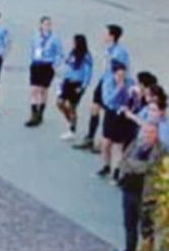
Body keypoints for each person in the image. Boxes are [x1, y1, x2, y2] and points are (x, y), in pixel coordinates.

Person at [109, 121, 163, 251]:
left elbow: (148, 167)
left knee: (146, 228)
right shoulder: (136, 144)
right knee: (129, 224)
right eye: (145, 132)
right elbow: (124, 160)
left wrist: (133, 165)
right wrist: (133, 165)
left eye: (151, 132)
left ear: (157, 134)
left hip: (145, 194)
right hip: (129, 189)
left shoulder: (160, 150)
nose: (147, 135)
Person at [77, 24, 129, 152]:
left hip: (111, 85)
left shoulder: (119, 52)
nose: (103, 36)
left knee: (108, 111)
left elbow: (121, 72)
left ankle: (104, 143)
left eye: (105, 33)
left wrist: (117, 88)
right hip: (104, 81)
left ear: (112, 36)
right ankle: (90, 137)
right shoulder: (109, 50)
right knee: (94, 107)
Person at [97, 62, 137, 178]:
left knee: (119, 144)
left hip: (123, 114)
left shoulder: (130, 82)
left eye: (123, 74)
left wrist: (130, 96)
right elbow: (107, 100)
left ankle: (116, 170)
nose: (121, 77)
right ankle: (106, 165)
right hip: (111, 113)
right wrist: (118, 89)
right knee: (106, 143)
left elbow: (132, 98)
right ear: (114, 74)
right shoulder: (108, 82)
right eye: (119, 75)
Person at [26, 16, 61, 127]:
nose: (47, 26)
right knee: (33, 89)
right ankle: (33, 113)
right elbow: (32, 49)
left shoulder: (55, 38)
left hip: (47, 65)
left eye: (49, 24)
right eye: (45, 24)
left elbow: (60, 53)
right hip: (36, 64)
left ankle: (40, 112)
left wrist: (55, 65)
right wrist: (32, 60)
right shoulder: (36, 37)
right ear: (40, 25)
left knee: (42, 90)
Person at [57, 34, 92, 140]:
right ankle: (70, 121)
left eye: (74, 42)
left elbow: (88, 72)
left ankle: (72, 129)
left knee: (72, 106)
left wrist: (83, 86)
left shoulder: (86, 56)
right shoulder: (72, 53)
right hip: (67, 82)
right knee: (60, 103)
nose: (72, 43)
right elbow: (67, 66)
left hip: (77, 84)